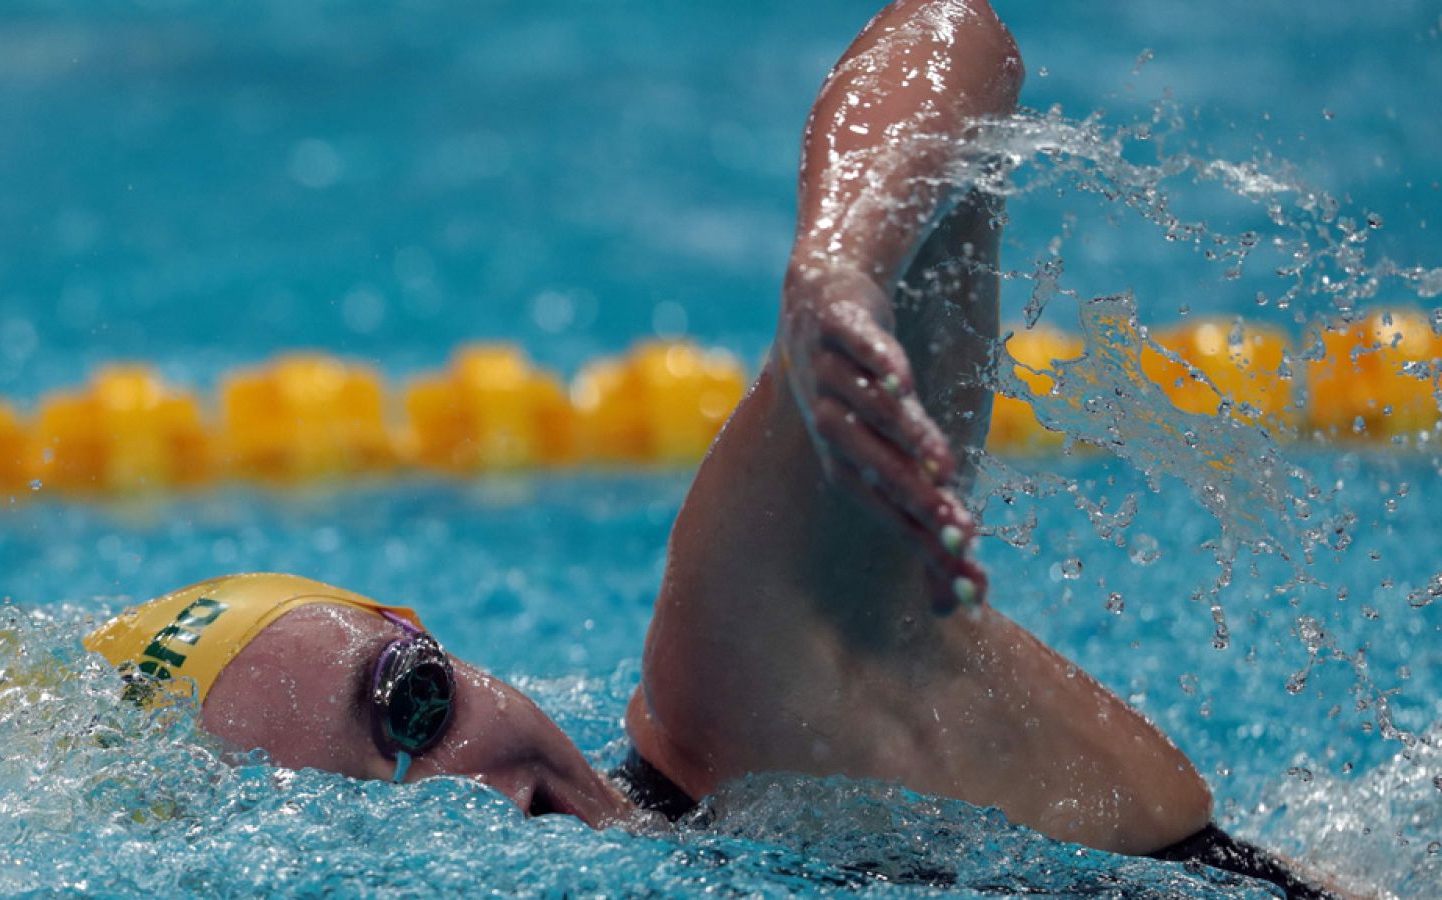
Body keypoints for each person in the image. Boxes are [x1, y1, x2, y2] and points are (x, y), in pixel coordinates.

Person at [85, 1, 1337, 895]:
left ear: (444, 645)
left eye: (413, 702)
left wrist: (838, 268)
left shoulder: (755, 717)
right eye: (359, 830)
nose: (466, 792)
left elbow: (950, 37)